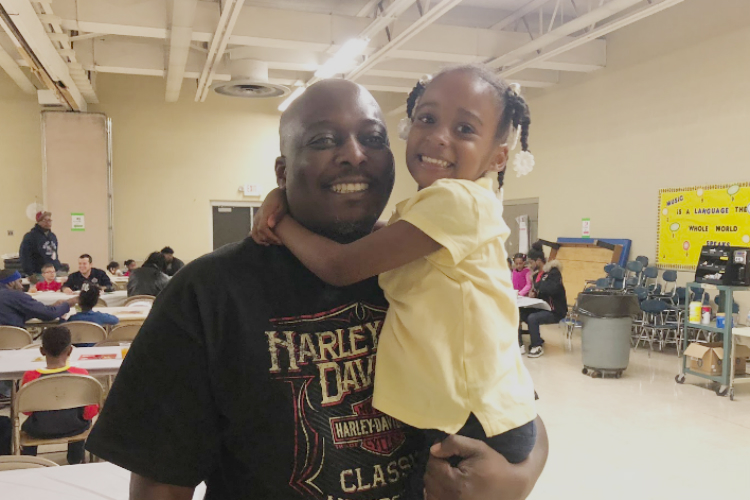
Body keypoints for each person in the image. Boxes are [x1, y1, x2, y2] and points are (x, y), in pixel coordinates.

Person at [85, 79, 548, 500]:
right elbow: (161, 479)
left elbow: (515, 397)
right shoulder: (210, 293)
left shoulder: (431, 266)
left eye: (373, 139)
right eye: (323, 140)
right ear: (282, 172)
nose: (354, 155)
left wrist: (521, 476)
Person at [253, 65, 538, 497]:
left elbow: (342, 267)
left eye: (464, 128)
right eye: (427, 118)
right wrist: (281, 195)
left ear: (498, 157)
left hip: (471, 420)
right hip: (467, 412)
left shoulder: (459, 200)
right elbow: (383, 238)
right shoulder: (433, 209)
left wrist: (280, 218)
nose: (438, 136)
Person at [20, 326, 99, 464]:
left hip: (39, 429)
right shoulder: (81, 375)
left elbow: (26, 411)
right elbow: (90, 412)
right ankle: (75, 459)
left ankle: (29, 461)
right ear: (70, 350)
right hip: (75, 428)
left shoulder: (30, 376)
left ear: (41, 351)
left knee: (28, 426)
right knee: (83, 420)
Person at [518, 241, 567, 358]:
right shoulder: (536, 275)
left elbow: (550, 289)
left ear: (538, 261)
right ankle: (520, 343)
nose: (529, 265)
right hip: (543, 307)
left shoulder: (553, 272)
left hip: (555, 311)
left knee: (532, 318)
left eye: (531, 262)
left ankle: (537, 346)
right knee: (521, 313)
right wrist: (534, 294)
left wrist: (538, 286)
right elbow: (542, 292)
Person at [0, 269, 77, 328]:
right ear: (11, 283)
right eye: (19, 282)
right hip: (14, 344)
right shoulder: (16, 295)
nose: (22, 286)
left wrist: (50, 307)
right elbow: (49, 314)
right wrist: (68, 303)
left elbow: (14, 314)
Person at [19, 211, 60, 276]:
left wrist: (57, 266)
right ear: (39, 222)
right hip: (38, 273)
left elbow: (55, 253)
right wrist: (30, 273)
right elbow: (25, 256)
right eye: (45, 220)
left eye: (49, 220)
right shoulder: (30, 236)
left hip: (53, 272)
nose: (48, 222)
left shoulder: (52, 236)